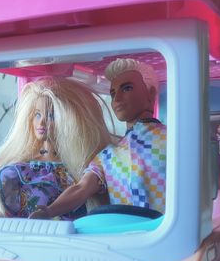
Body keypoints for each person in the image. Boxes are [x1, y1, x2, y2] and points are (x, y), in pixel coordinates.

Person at [30, 58, 166, 219]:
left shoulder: (172, 140)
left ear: (151, 94)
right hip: (124, 230)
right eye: (113, 94)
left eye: (127, 88)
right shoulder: (108, 155)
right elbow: (81, 189)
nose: (117, 99)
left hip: (168, 228)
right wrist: (50, 211)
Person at [0, 77, 114, 218]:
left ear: (71, 120)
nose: (42, 122)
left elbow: (82, 191)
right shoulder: (18, 170)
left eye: (51, 116)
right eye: (37, 115)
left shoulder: (81, 168)